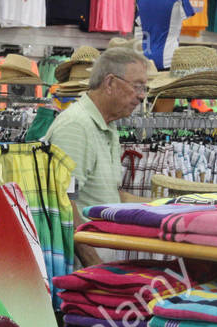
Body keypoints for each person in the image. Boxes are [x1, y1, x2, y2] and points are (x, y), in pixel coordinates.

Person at [44, 46, 147, 265]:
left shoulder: (106, 126)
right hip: (79, 269)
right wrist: (93, 264)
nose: (141, 96)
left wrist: (168, 207)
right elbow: (63, 201)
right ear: (110, 83)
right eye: (137, 86)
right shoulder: (76, 127)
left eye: (144, 88)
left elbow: (110, 194)